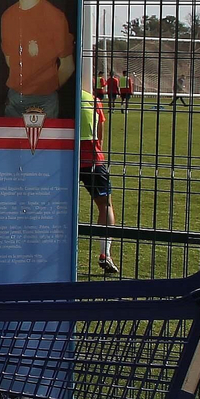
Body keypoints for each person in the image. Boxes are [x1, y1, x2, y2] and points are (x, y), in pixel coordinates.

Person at [1, 0, 75, 120]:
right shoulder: (8, 16)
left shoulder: (55, 17)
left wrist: (45, 88)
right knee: (10, 146)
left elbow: (67, 66)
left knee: (42, 146)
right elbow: (9, 59)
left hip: (44, 101)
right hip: (14, 97)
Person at [80, 83, 121, 275]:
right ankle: (105, 253)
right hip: (92, 159)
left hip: (61, 158)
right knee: (105, 204)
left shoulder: (56, 97)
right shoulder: (93, 100)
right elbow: (100, 134)